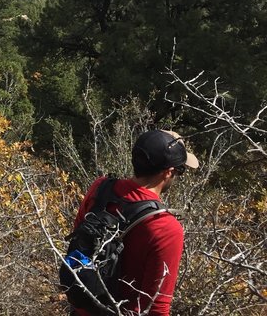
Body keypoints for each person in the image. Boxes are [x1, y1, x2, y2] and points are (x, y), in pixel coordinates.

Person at [72, 130, 199, 315]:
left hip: (81, 307)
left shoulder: (100, 188)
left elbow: (78, 238)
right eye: (180, 171)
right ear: (168, 172)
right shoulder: (166, 227)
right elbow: (157, 308)